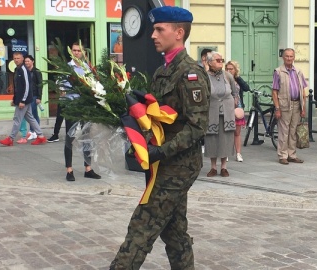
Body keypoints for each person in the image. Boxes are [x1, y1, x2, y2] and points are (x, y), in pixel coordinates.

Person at [110, 6, 210, 269]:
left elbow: (197, 126)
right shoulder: (162, 71)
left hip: (179, 164)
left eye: (159, 29)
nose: (153, 35)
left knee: (143, 224)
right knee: (173, 231)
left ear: (178, 33)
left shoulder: (190, 73)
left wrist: (159, 151)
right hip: (164, 161)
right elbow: (158, 119)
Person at [62, 42, 102, 182]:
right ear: (71, 52)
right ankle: (69, 170)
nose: (77, 53)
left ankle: (88, 168)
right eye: (74, 50)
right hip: (72, 106)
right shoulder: (67, 67)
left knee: (87, 136)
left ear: (83, 53)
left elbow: (93, 84)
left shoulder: (87, 68)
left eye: (79, 51)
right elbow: (62, 87)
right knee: (70, 137)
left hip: (86, 106)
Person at [0, 52, 47, 146]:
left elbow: (27, 86)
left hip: (24, 100)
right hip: (21, 99)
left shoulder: (24, 70)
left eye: (18, 58)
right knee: (30, 118)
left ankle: (10, 138)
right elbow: (17, 87)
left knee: (17, 118)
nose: (16, 60)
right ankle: (41, 136)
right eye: (15, 58)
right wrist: (14, 99)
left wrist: (23, 101)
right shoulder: (17, 69)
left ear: (22, 59)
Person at [272, 48, 307, 164]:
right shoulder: (278, 72)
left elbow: (303, 90)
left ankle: (292, 154)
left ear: (294, 57)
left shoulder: (298, 71)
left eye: (291, 56)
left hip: (297, 104)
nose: (289, 58)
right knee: (284, 131)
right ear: (283, 57)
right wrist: (277, 108)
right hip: (284, 104)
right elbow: (274, 91)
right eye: (287, 56)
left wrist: (303, 107)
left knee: (293, 130)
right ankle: (282, 155)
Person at [204, 51, 236, 176]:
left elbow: (234, 92)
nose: (220, 62)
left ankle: (224, 167)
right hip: (212, 111)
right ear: (210, 62)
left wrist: (235, 106)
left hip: (226, 112)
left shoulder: (228, 76)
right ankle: (213, 167)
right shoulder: (205, 77)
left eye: (221, 60)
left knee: (226, 139)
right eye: (218, 60)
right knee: (212, 138)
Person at [226, 60, 250, 162]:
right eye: (227, 69)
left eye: (231, 69)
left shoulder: (237, 80)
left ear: (235, 70)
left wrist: (237, 77)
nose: (228, 71)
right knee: (226, 132)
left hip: (238, 108)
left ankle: (238, 154)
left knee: (237, 132)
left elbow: (246, 88)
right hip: (227, 108)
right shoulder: (223, 79)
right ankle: (226, 153)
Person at [18, 55, 44, 143]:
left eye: (28, 61)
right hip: (27, 95)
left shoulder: (36, 72)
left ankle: (33, 131)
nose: (27, 63)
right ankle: (35, 131)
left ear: (32, 61)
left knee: (32, 113)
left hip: (34, 95)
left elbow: (40, 85)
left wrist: (39, 97)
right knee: (31, 114)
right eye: (25, 61)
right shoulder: (25, 71)